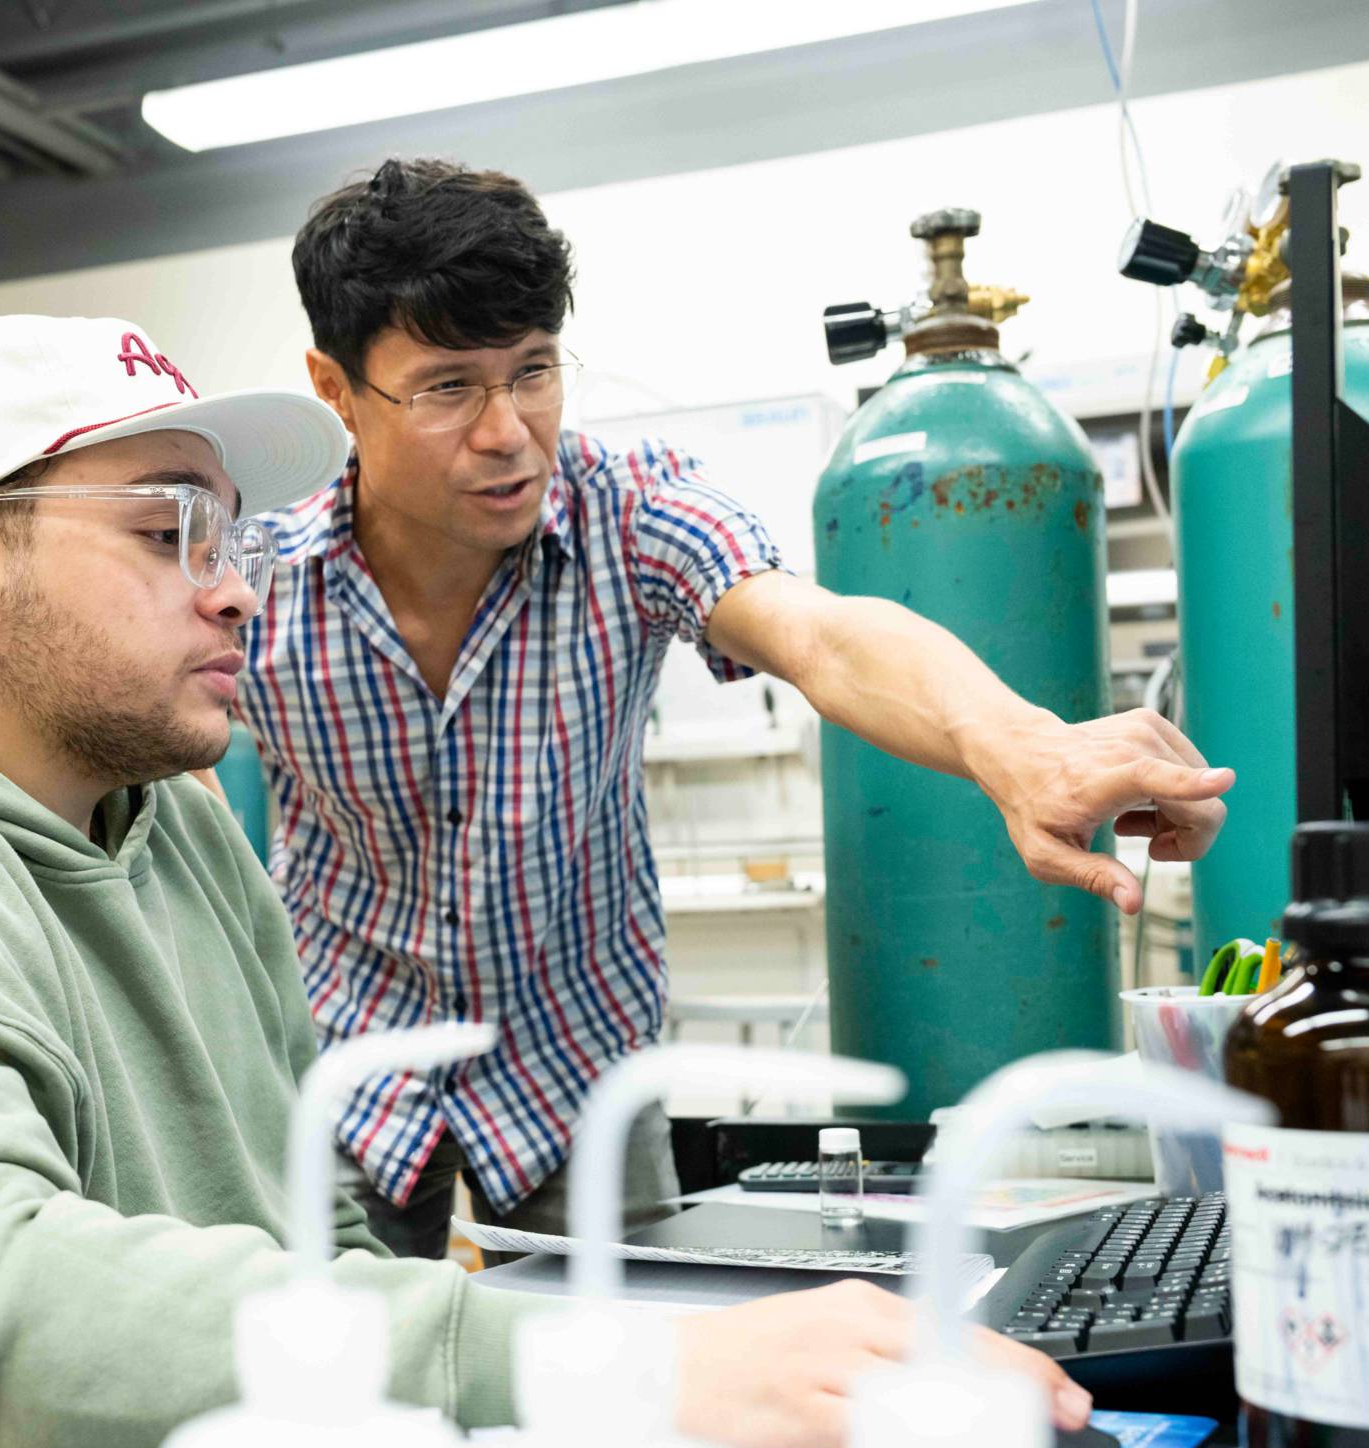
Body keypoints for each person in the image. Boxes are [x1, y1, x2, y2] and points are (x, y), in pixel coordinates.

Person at [0, 314, 1091, 1448]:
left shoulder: (162, 830)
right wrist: (590, 1371)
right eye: (167, 529)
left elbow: (324, 1239)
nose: (233, 582)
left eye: (225, 528)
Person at [240, 159, 1235, 1257]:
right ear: (335, 390)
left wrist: (1021, 747)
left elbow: (820, 634)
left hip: (577, 1072)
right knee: (331, 1372)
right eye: (447, 388)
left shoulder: (629, 510)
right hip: (344, 1063)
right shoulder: (257, 580)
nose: (508, 431)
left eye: (531, 371)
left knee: (629, 1375)